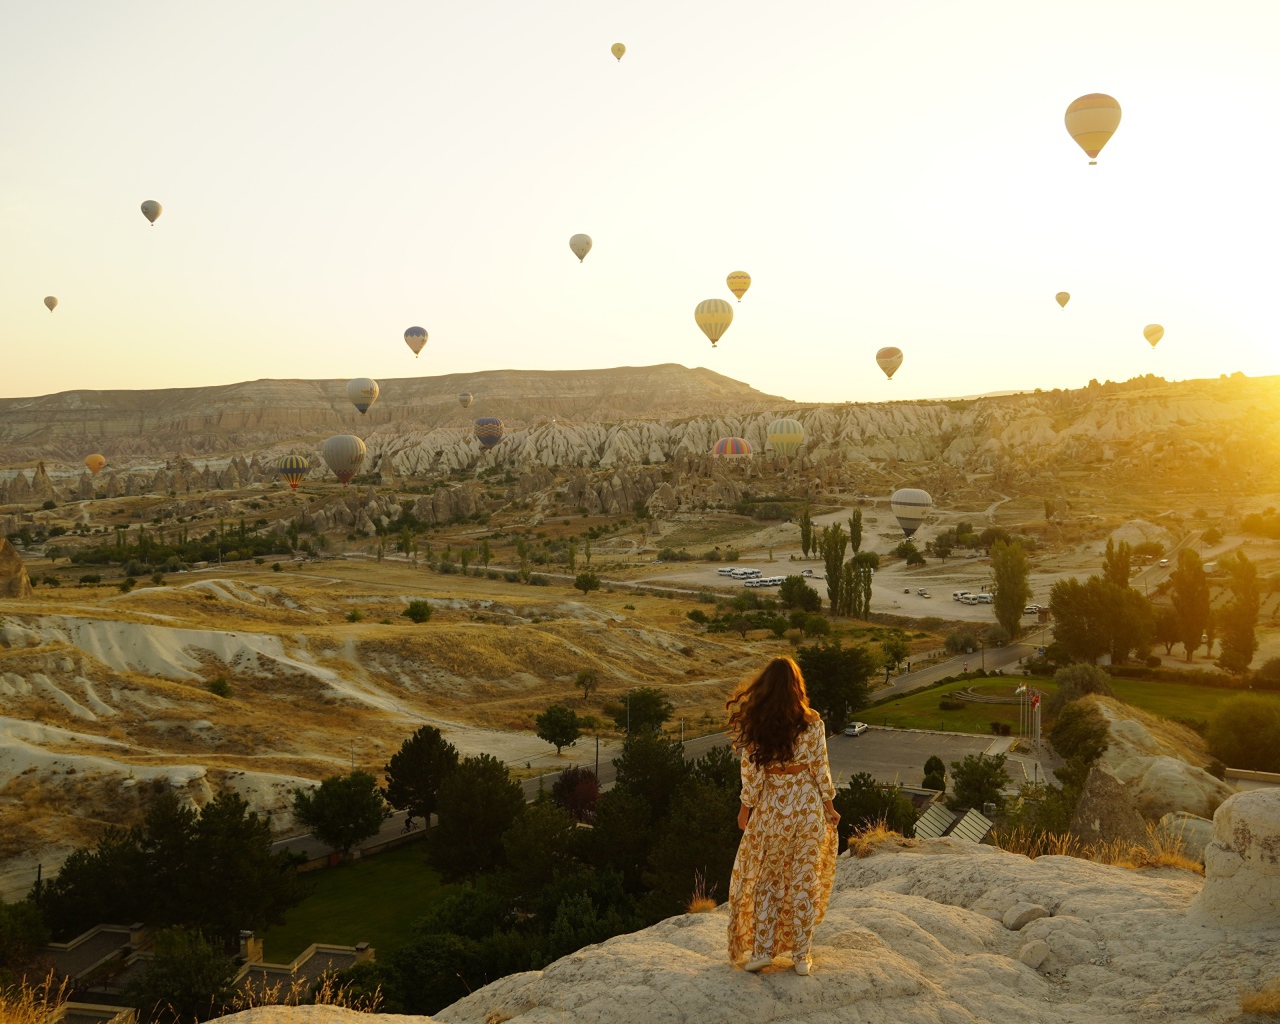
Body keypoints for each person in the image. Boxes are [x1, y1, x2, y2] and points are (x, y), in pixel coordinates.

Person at [726, 657, 839, 976]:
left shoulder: (757, 722)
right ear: (796, 687)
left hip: (773, 810)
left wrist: (745, 808)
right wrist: (829, 807)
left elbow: (752, 773)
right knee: (805, 879)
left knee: (768, 880)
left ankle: (762, 951)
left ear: (764, 688)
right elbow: (821, 768)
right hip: (806, 808)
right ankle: (801, 957)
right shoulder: (812, 721)